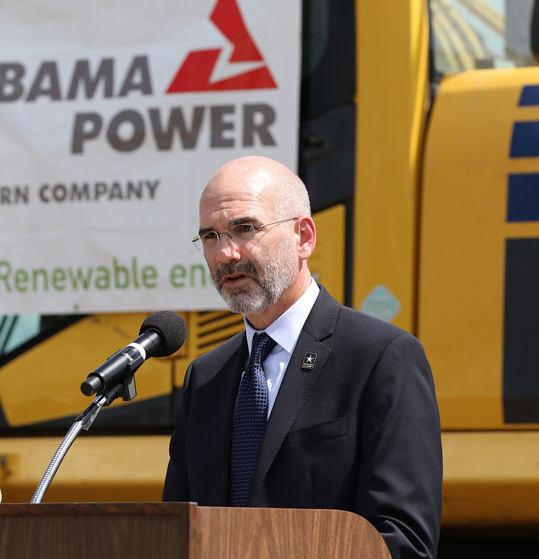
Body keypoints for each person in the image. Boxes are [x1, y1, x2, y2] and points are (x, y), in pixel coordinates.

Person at [163, 156, 442, 559]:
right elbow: (175, 533)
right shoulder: (205, 378)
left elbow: (403, 541)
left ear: (303, 237)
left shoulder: (382, 358)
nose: (225, 253)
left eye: (244, 228)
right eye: (210, 237)